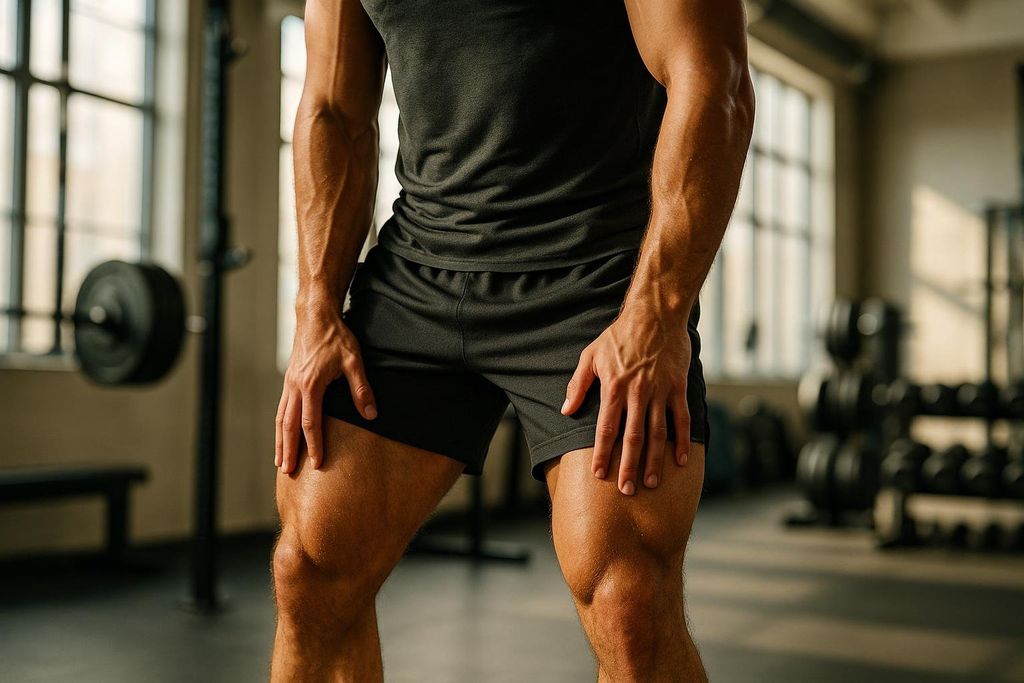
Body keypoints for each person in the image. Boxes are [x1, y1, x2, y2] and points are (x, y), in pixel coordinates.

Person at [271, 0, 753, 679]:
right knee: (310, 568)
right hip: (419, 271)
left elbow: (712, 81)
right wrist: (315, 308)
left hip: (596, 280)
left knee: (628, 603)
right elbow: (332, 108)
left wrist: (656, 315)